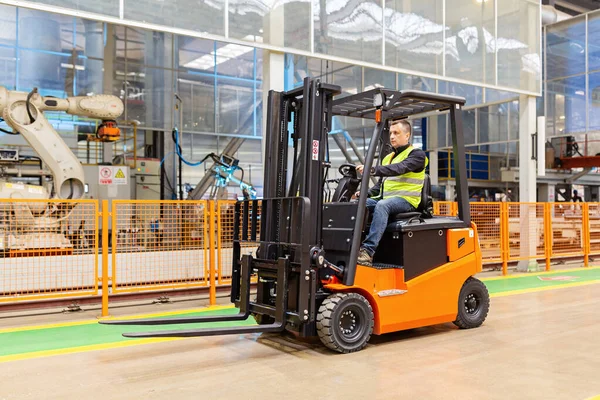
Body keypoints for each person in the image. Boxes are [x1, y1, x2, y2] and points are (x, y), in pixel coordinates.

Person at [355, 119, 428, 265]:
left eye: (396, 133)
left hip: (407, 201)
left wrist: (372, 169)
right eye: (391, 133)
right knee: (358, 204)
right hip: (388, 199)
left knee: (382, 205)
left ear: (407, 135)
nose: (392, 136)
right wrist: (364, 194)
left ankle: (368, 252)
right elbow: (382, 185)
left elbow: (400, 168)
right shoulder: (388, 157)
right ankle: (352, 245)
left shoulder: (417, 155)